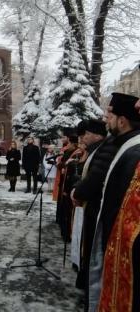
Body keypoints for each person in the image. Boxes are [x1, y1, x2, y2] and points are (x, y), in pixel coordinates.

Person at [87, 93, 140, 312]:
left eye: (109, 114)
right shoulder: (124, 145)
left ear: (122, 120)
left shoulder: (133, 150)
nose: (105, 118)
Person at [68, 119, 108, 303]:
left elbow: (94, 178)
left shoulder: (103, 150)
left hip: (94, 209)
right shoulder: (95, 150)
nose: (82, 138)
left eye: (86, 134)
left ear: (97, 135)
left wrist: (78, 190)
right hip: (86, 207)